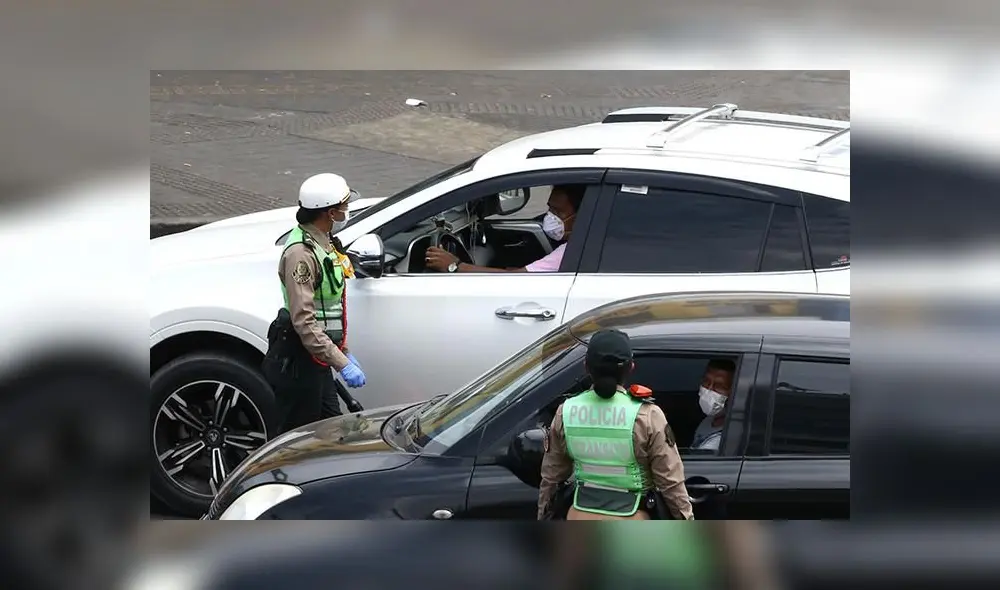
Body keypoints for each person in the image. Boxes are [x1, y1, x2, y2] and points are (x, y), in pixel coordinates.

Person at [537, 329, 694, 520]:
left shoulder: (566, 412)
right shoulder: (647, 415)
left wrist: (543, 515)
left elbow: (551, 478)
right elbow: (671, 482)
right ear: (631, 367)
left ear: (586, 366)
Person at [263, 173, 367, 435]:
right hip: (299, 360)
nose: (347, 213)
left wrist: (342, 351)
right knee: (298, 440)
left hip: (317, 357)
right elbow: (304, 321)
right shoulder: (302, 254)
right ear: (330, 213)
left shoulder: (324, 242)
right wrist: (342, 363)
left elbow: (326, 311)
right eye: (344, 208)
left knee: (332, 431)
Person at [424, 184, 585, 273]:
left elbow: (514, 279)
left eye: (557, 212)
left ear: (581, 216)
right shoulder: (587, 244)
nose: (550, 217)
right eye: (550, 209)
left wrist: (455, 266)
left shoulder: (573, 252)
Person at [691, 359, 736, 452]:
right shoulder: (710, 419)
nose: (709, 390)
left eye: (719, 386)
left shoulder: (724, 438)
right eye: (706, 381)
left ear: (732, 392)